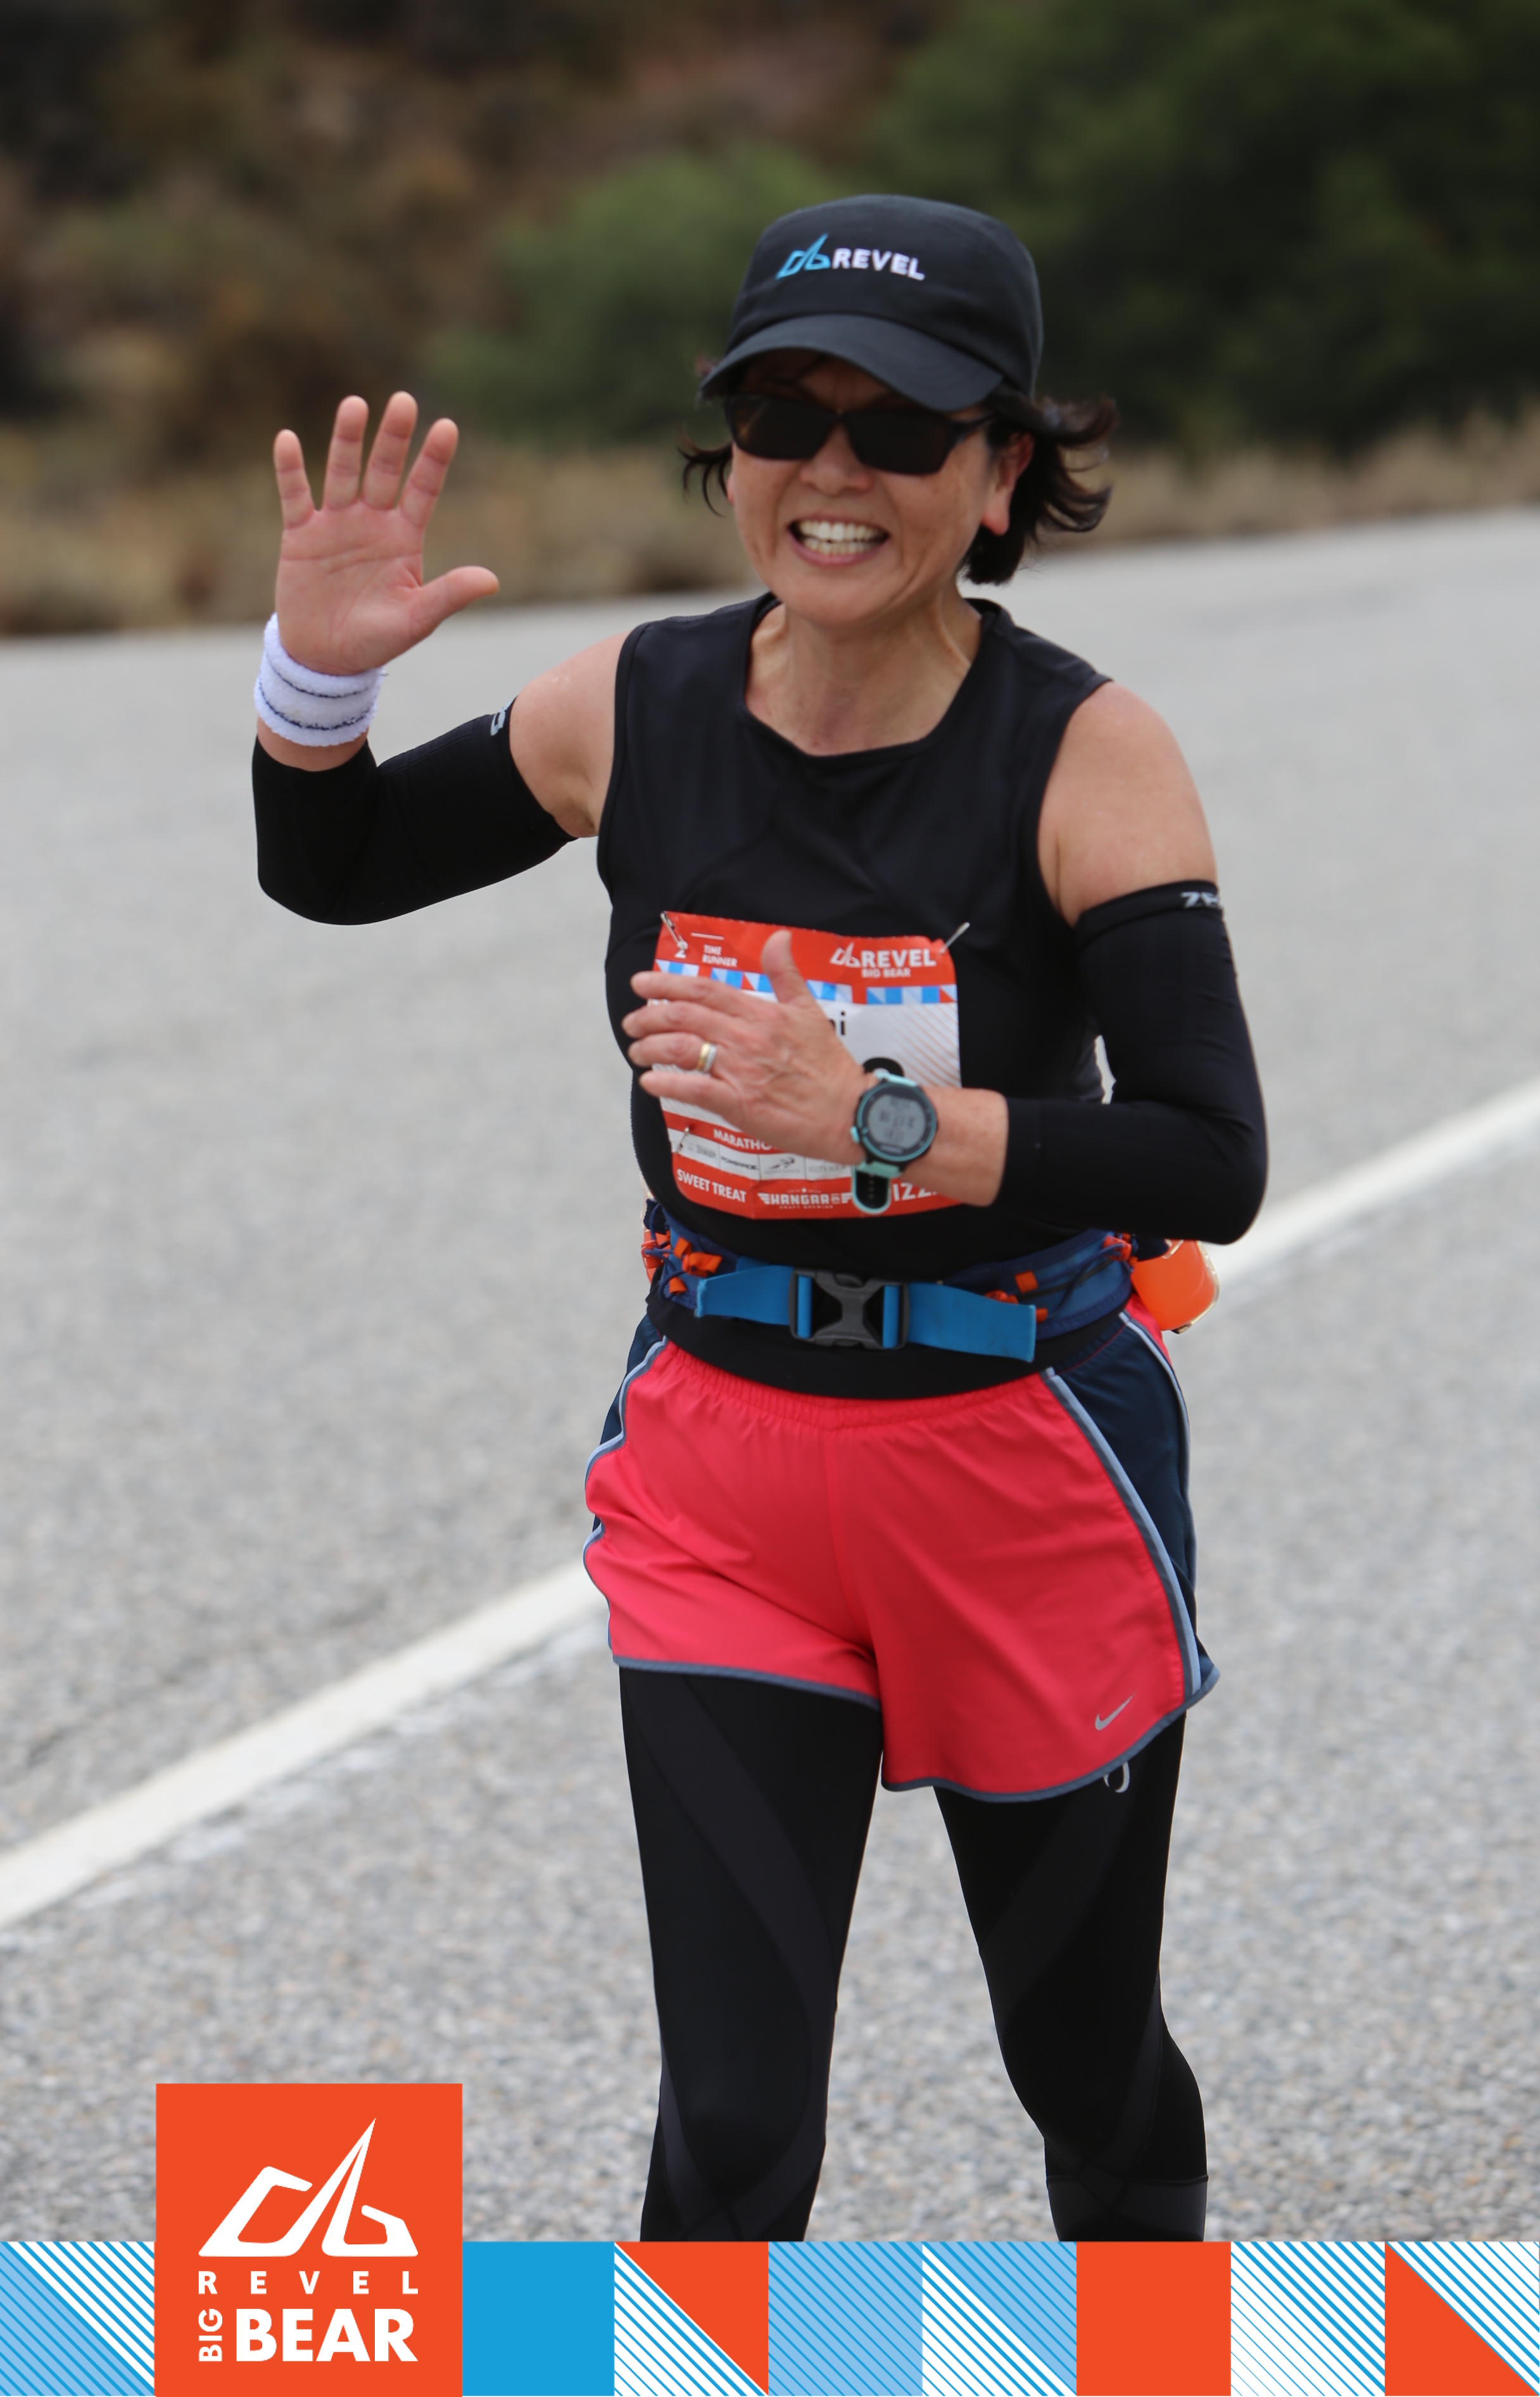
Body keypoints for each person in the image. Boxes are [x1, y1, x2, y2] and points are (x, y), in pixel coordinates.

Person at [251, 194, 1266, 2242]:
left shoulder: (1084, 750)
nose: (832, 469)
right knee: (728, 2126)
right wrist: (314, 688)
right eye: (784, 415)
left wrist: (875, 1119)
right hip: (728, 1471)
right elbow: (334, 867)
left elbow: (1203, 1153)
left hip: (1021, 1467)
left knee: (1083, 2062)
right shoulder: (635, 703)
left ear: (1001, 471)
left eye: (899, 427)